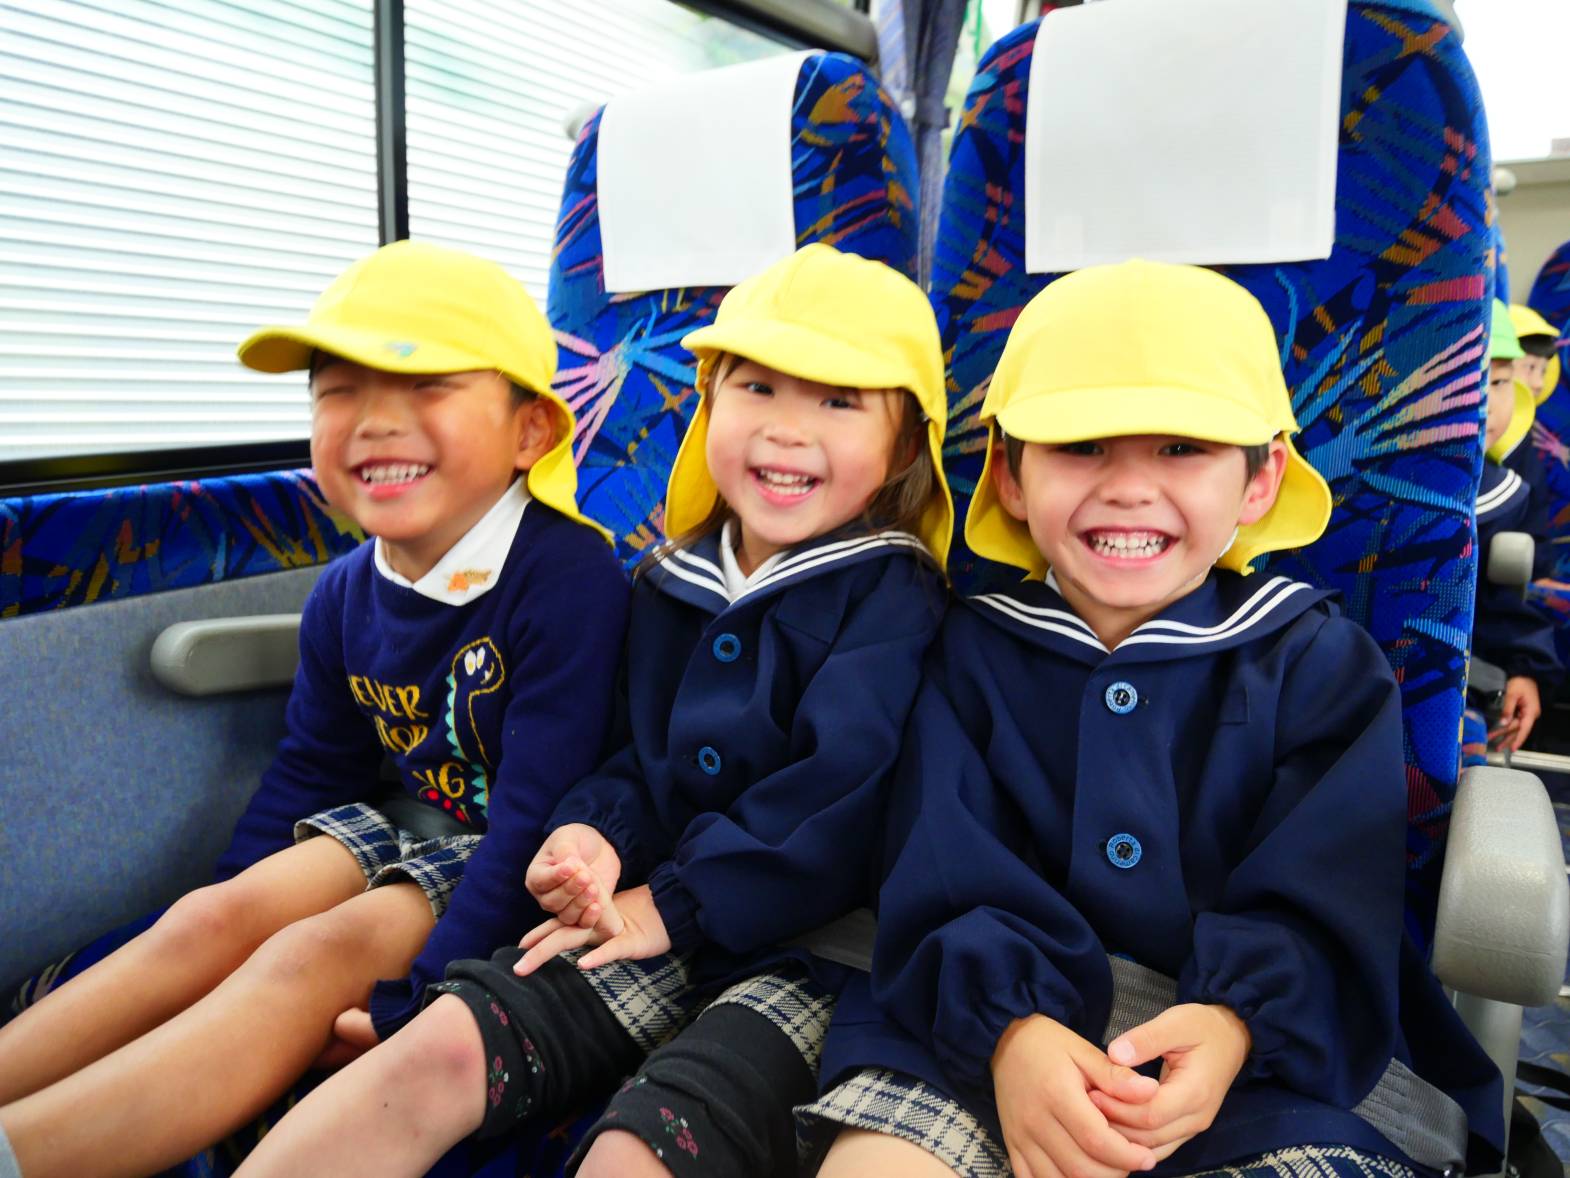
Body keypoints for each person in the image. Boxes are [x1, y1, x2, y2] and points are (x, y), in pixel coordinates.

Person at [231, 242, 954, 1178]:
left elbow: (838, 798)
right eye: (756, 389)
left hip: (807, 950)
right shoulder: (669, 580)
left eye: (838, 402)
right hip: (642, 906)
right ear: (708, 404)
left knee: (637, 1143)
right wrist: (592, 836)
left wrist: (676, 902)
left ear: (904, 447)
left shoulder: (896, 601)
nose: (786, 429)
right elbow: (631, 757)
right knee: (441, 1042)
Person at [800, 260, 1503, 1178]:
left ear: (1260, 481)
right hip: (978, 1033)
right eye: (1082, 447)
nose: (1129, 487)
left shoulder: (1323, 666)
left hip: (1260, 1066)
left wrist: (1238, 1021)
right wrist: (1011, 1033)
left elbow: (1333, 890)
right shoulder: (963, 652)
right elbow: (940, 861)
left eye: (1180, 449)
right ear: (1010, 476)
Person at [0, 241, 630, 1178]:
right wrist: (228, 916)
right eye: (338, 391)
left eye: (426, 386)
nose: (375, 420)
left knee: (310, 956)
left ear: (530, 431)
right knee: (205, 922)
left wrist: (425, 1001)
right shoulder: (343, 592)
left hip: (526, 857)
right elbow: (313, 768)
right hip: (404, 821)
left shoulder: (568, 578)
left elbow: (533, 816)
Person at [1475, 300, 1561, 752]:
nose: (1485, 405)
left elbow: (1501, 601)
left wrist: (1523, 666)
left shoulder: (1507, 493)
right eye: (1469, 383)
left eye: (1499, 383)